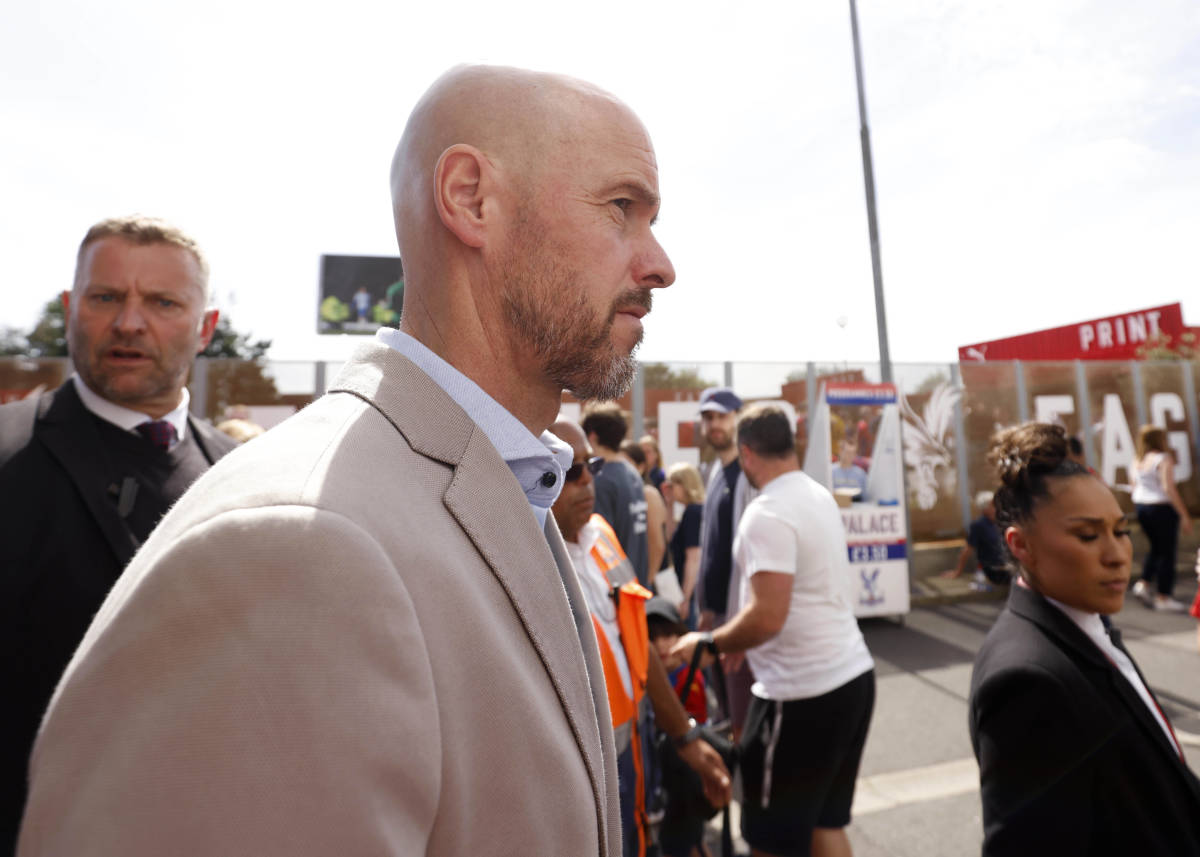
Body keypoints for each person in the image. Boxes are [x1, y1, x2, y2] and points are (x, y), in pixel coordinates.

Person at [19, 65, 677, 856]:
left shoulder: (500, 486)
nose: (659, 262)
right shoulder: (299, 546)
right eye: (621, 209)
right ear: (470, 198)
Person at [0, 215, 236, 850]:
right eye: (106, 297)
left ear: (205, 327)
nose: (130, 323)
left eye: (161, 302)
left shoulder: (247, 484)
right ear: (71, 308)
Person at [968, 423, 1200, 856]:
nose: (1117, 555)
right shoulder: (1027, 680)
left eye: (1121, 530)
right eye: (1088, 535)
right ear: (1021, 545)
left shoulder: (1087, 624)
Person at [673, 405, 876, 857]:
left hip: (799, 694)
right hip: (851, 676)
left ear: (747, 453)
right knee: (826, 820)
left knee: (768, 838)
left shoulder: (767, 512)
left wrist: (708, 644)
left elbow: (767, 616)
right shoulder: (815, 494)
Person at [549, 420, 731, 857]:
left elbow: (637, 643)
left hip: (630, 752)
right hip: (577, 773)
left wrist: (685, 737)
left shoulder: (601, 537)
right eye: (571, 472)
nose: (588, 480)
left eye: (590, 466)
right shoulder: (529, 562)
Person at [585, 402, 651, 585]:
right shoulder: (631, 472)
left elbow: (600, 545)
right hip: (635, 586)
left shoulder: (600, 480)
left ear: (592, 436)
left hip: (616, 593)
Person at [1129, 425, 1193, 612]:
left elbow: (1134, 486)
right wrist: (1184, 515)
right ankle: (1163, 596)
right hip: (1161, 508)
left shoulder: (1137, 460)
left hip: (1141, 506)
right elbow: (1168, 488)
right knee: (1167, 553)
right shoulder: (1163, 459)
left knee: (1156, 549)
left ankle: (1144, 583)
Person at [662, 462, 705, 622]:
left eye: (671, 486)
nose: (669, 490)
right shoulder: (693, 510)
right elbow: (670, 538)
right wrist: (669, 505)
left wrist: (685, 599)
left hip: (691, 594)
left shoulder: (693, 512)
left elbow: (694, 558)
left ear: (684, 485)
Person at [623, 438, 669, 580]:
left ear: (640, 467)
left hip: (650, 578)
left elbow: (658, 545)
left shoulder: (649, 493)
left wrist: (648, 581)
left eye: (626, 465)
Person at [942, 490, 1009, 586]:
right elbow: (967, 550)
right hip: (994, 569)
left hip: (1007, 565)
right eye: (993, 504)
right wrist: (957, 571)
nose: (997, 506)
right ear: (985, 508)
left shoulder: (1001, 522)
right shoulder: (978, 525)